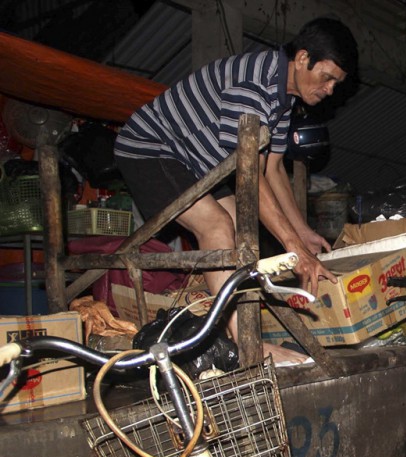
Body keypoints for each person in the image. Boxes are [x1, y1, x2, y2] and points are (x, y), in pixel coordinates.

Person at [114, 17, 358, 364]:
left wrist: (301, 233)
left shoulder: (284, 99)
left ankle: (242, 331)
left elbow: (272, 169)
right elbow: (249, 180)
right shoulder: (254, 86)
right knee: (216, 226)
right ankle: (245, 344)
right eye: (328, 77)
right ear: (303, 58)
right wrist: (291, 245)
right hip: (149, 148)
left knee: (240, 237)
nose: (330, 89)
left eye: (337, 82)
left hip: (193, 160)